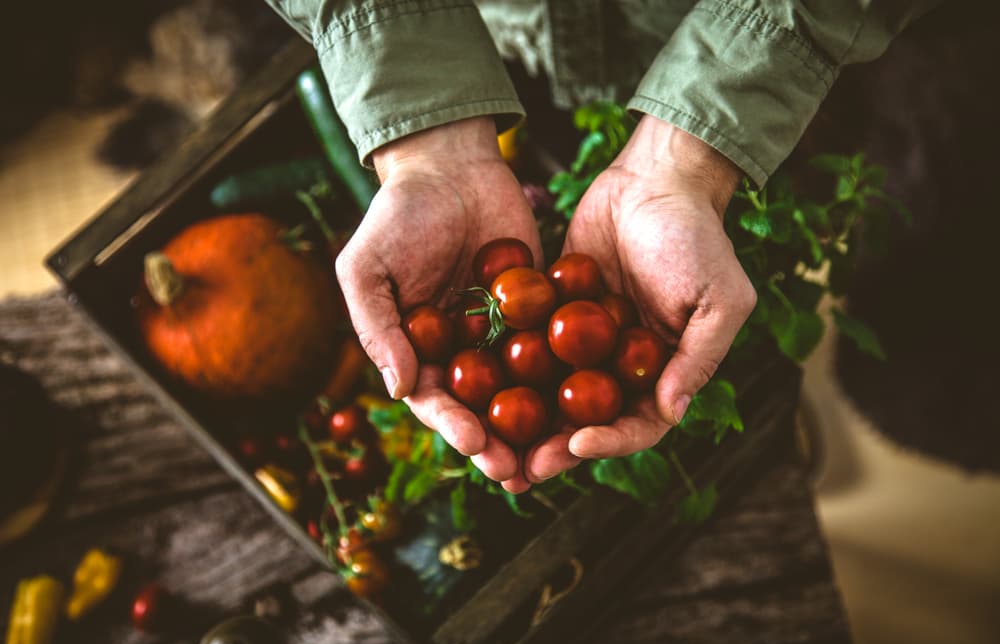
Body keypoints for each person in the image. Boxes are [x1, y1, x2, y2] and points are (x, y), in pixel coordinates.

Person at [264, 0, 938, 492]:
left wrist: (697, 148)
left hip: (766, 45)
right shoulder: (524, 319)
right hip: (492, 38)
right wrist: (423, 133)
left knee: (884, 192)